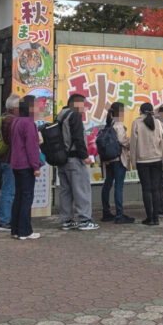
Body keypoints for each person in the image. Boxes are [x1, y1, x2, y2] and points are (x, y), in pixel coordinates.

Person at [56, 94, 99, 231]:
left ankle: (67, 220)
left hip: (62, 159)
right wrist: (84, 156)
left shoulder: (60, 115)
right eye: (84, 104)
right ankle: (85, 220)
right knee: (81, 189)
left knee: (65, 191)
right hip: (75, 159)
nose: (85, 108)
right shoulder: (74, 116)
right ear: (76, 104)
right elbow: (78, 138)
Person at [9, 95, 43, 240]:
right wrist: (36, 166)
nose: (38, 108)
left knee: (18, 196)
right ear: (30, 108)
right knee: (27, 197)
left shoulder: (16, 121)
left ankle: (15, 230)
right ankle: (25, 231)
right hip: (26, 165)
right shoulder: (29, 124)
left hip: (15, 164)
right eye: (35, 105)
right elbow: (32, 147)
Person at [131, 103, 163, 224]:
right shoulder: (158, 123)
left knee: (146, 189)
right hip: (157, 159)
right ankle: (156, 218)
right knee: (156, 189)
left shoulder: (136, 123)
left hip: (142, 161)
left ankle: (149, 218)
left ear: (140, 111)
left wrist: (133, 162)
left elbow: (133, 144)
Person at [100, 103, 135, 224]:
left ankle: (106, 212)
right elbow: (122, 140)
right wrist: (130, 141)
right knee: (119, 186)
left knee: (107, 185)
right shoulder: (119, 125)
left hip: (108, 160)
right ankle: (119, 214)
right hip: (119, 159)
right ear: (120, 113)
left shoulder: (108, 125)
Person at [0, 94, 20, 233]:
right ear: (14, 108)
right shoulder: (12, 121)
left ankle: (6, 218)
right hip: (11, 160)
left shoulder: (3, 118)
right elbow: (15, 142)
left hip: (3, 158)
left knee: (7, 189)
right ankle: (4, 221)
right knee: (9, 191)